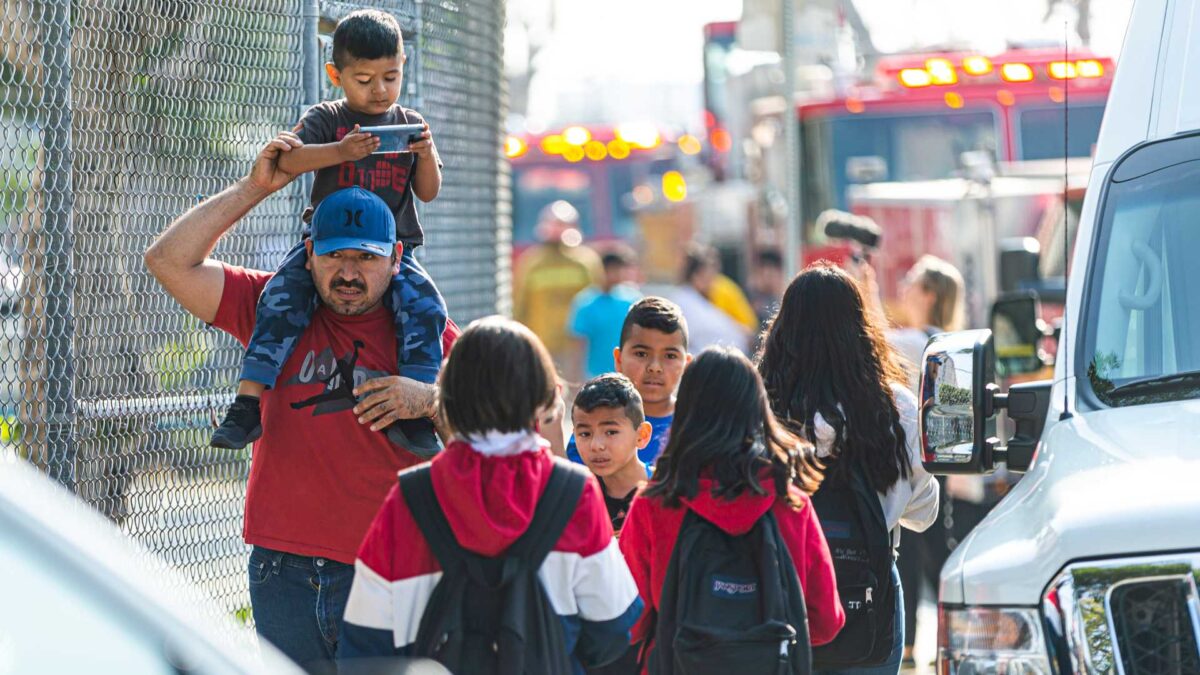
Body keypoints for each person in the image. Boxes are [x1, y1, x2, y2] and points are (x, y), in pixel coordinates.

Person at [144, 133, 458, 670]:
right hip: (283, 569)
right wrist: (253, 187)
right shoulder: (271, 307)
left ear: (396, 257)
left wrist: (429, 400)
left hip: (393, 567)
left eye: (367, 258)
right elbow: (167, 261)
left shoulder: (428, 335)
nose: (350, 273)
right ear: (309, 252)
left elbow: (482, 441)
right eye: (335, 255)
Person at [339, 317, 642, 672]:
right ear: (544, 399)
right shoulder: (573, 492)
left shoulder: (410, 496)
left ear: (449, 395)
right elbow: (614, 630)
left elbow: (364, 644)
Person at [211, 9, 446, 455]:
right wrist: (340, 151)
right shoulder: (327, 118)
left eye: (390, 77)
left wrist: (427, 153)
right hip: (324, 251)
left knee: (425, 307)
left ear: (403, 68)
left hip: (391, 255)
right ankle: (246, 406)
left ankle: (416, 415)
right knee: (279, 300)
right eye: (364, 79)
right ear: (335, 74)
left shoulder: (408, 121)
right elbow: (287, 161)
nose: (379, 90)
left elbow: (428, 193)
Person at [757, 262, 940, 675]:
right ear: (860, 329)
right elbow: (923, 516)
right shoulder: (895, 408)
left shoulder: (762, 406)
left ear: (784, 330)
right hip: (868, 596)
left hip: (778, 592)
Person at [619, 347, 847, 665]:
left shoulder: (654, 504)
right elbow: (826, 621)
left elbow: (627, 622)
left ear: (686, 412)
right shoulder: (791, 503)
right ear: (757, 411)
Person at [566, 297, 691, 468]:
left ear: (687, 365)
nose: (655, 367)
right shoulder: (593, 425)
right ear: (618, 359)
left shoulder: (695, 427)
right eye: (641, 354)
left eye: (670, 356)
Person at [513, 200, 601, 379]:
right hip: (542, 344)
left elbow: (597, 302)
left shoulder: (586, 262)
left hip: (577, 348)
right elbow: (520, 307)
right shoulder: (532, 263)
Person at [571, 374, 653, 535]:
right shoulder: (576, 499)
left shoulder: (665, 494)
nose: (596, 446)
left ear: (642, 435)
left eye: (611, 432)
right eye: (585, 434)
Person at [568, 246, 642, 380]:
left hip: (626, 373)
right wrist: (574, 377)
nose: (616, 274)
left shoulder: (632, 300)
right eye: (612, 269)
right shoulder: (586, 302)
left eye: (619, 269)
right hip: (594, 375)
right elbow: (578, 344)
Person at [669, 245, 749, 353]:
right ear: (695, 275)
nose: (712, 281)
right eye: (707, 275)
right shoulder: (682, 300)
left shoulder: (711, 297)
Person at [748, 249, 787, 327]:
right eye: (762, 274)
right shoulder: (750, 297)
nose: (766, 279)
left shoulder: (785, 297)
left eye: (771, 275)